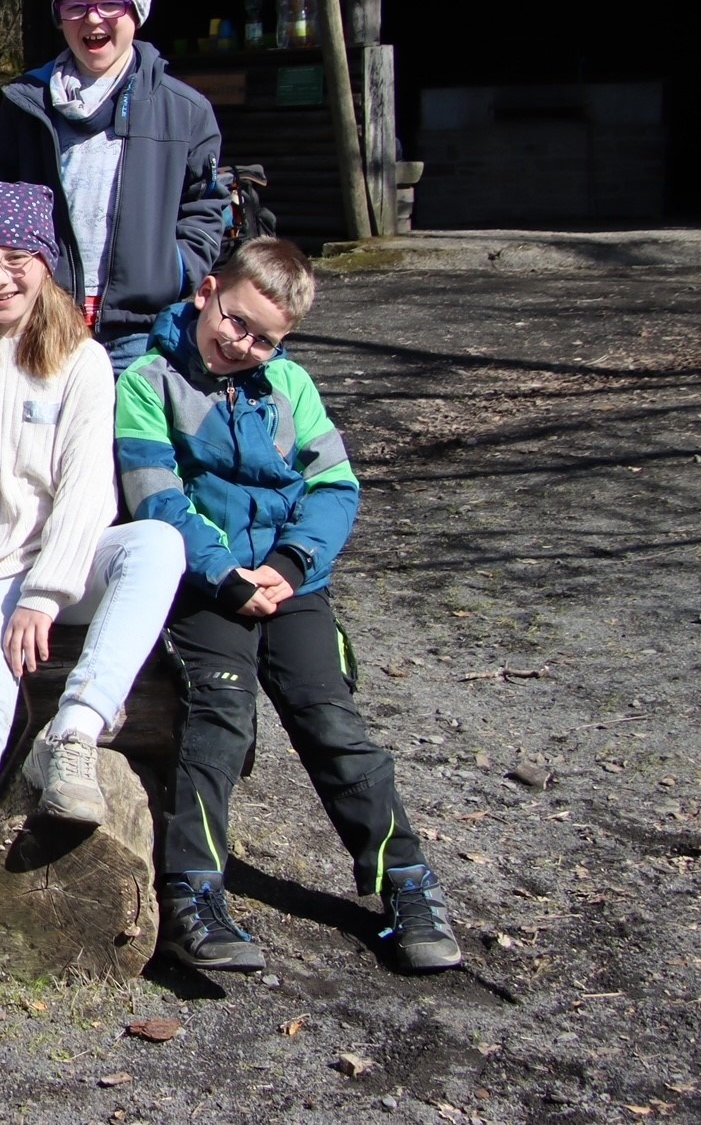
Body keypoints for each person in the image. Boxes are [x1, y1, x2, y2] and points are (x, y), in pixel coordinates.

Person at [116, 237, 463, 976]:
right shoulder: (148, 380)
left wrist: (288, 563)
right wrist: (227, 573)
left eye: (264, 339)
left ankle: (405, 882)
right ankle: (194, 893)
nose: (241, 345)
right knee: (218, 717)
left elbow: (334, 487)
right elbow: (156, 493)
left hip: (289, 579)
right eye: (235, 322)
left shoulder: (291, 386)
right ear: (208, 291)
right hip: (202, 583)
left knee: (331, 720)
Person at [0, 183, 186, 1020]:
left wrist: (49, 594)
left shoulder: (84, 361)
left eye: (15, 260)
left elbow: (90, 490)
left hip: (53, 565)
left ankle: (76, 731)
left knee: (157, 545)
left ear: (45, 264)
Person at [0, 0, 224, 365]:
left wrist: (176, 271)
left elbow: (205, 206)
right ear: (59, 16)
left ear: (135, 9)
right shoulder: (26, 105)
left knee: (131, 437)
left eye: (109, 3)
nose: (92, 18)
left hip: (142, 332)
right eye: (76, 5)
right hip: (46, 322)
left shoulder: (185, 110)